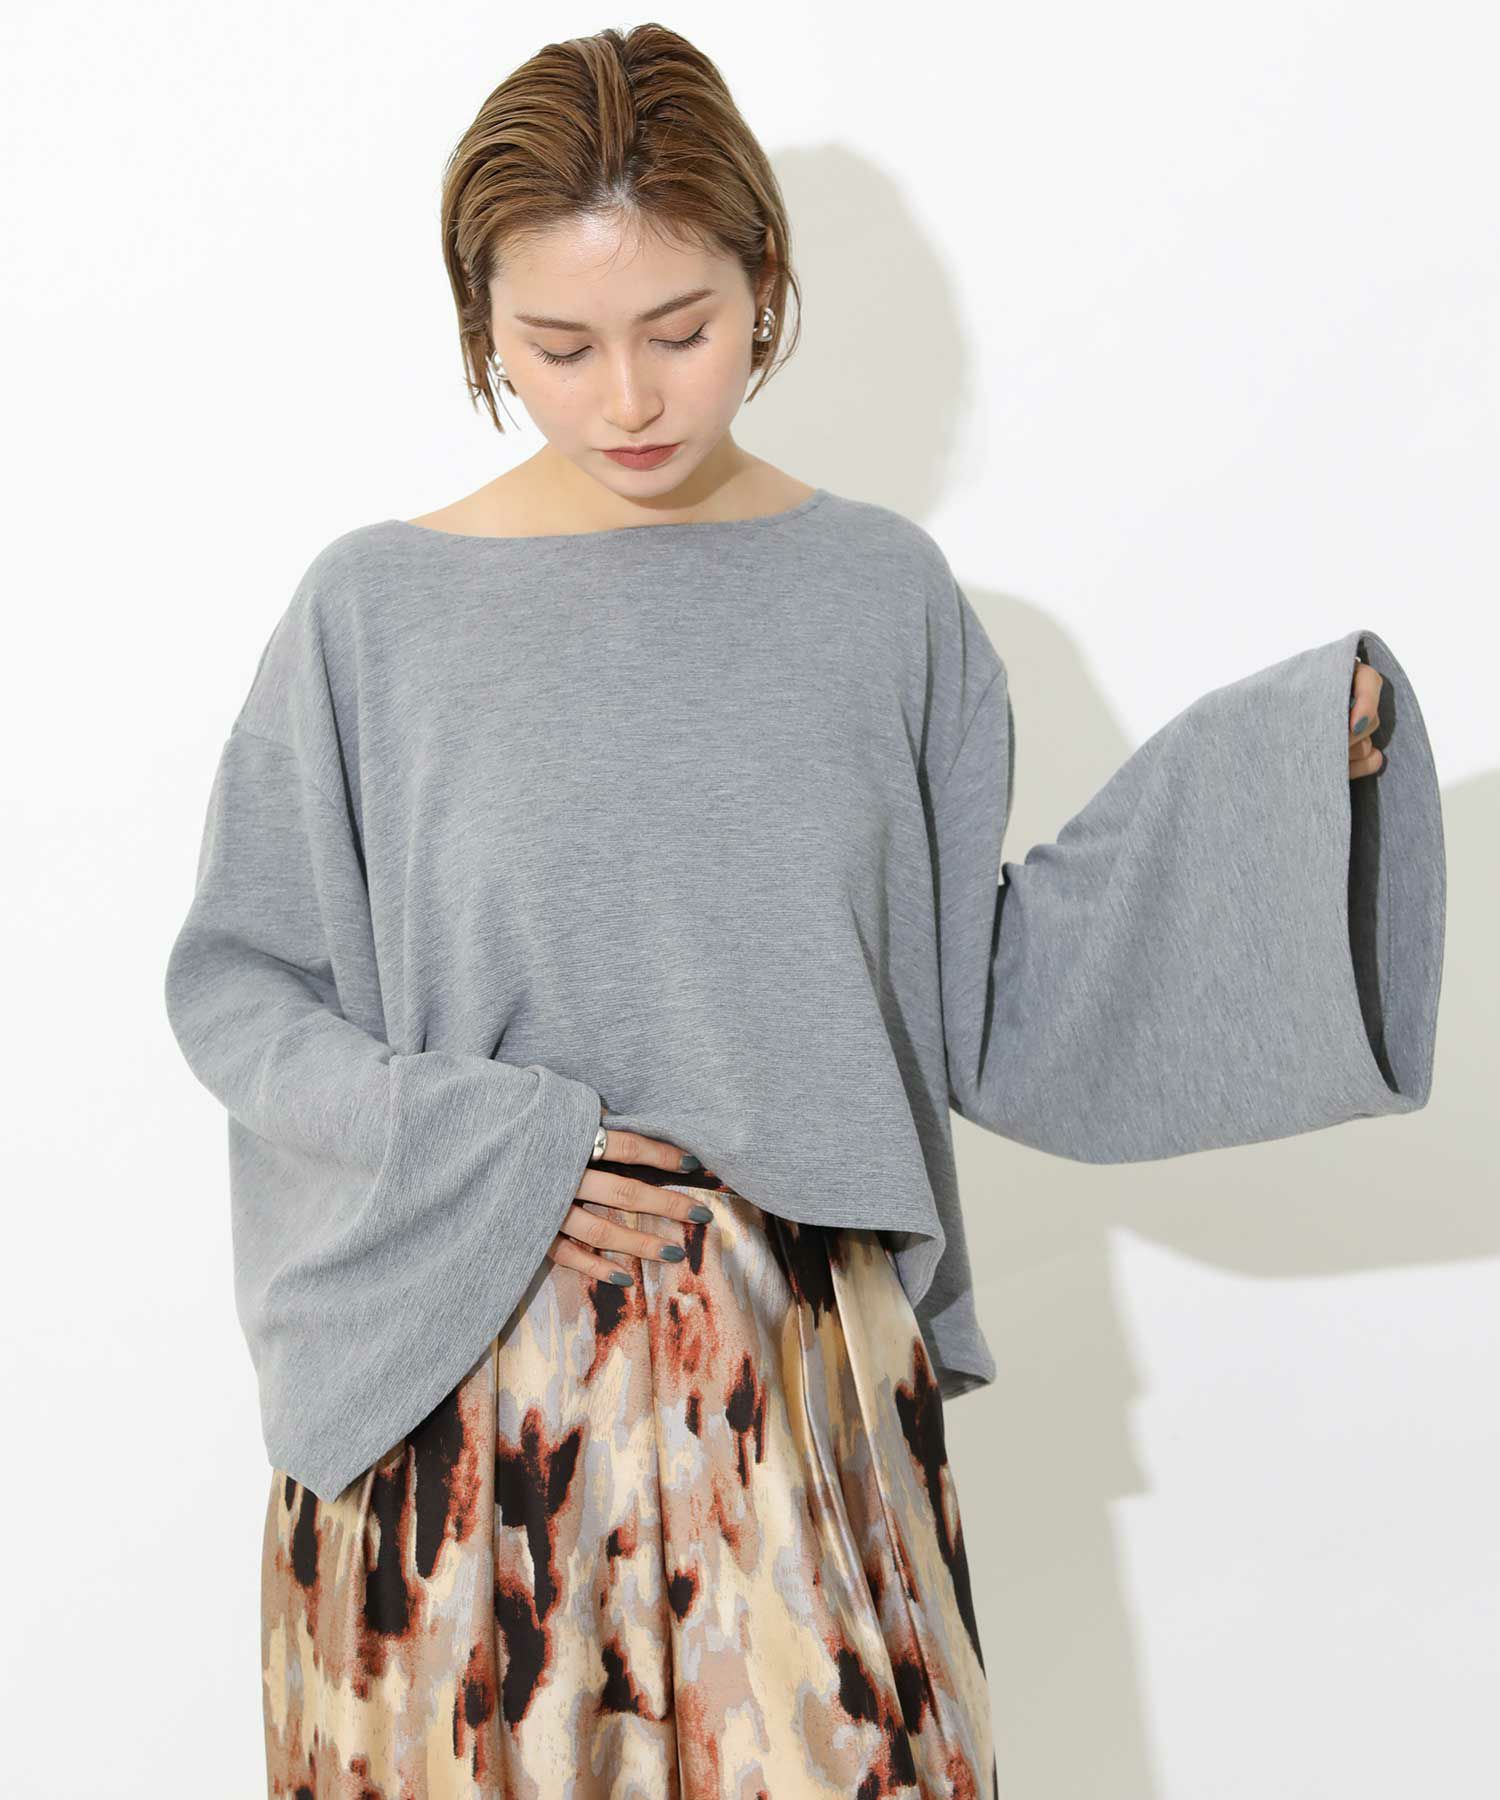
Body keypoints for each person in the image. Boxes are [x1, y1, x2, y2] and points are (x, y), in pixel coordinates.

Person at [162, 23, 1444, 1800]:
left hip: (800, 1389)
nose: (628, 398)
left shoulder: (880, 597)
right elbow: (243, 984)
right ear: (480, 328)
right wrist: (473, 1141)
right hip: (460, 1404)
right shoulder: (372, 615)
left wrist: (1286, 790)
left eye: (680, 328)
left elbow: (977, 993)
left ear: (765, 283)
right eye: (558, 347)